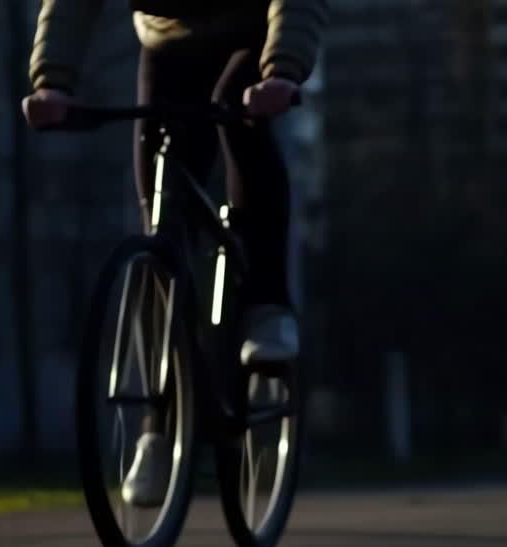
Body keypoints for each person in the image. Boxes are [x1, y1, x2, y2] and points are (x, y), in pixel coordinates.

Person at [22, 0, 327, 506]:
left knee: (238, 112)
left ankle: (268, 306)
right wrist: (52, 81)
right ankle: (158, 431)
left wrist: (283, 71)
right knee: (161, 233)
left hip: (255, 31)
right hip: (168, 42)